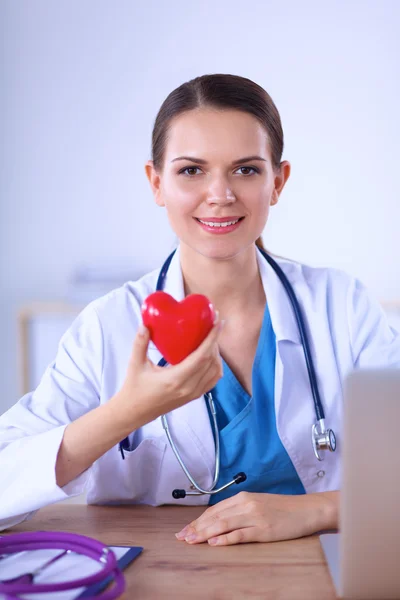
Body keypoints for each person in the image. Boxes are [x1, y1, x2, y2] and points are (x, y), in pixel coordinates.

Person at [1, 74, 399, 546]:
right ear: (156, 183)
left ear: (278, 181)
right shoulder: (108, 325)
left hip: (318, 576)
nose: (220, 194)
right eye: (191, 170)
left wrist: (316, 510)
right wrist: (126, 412)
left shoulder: (342, 306)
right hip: (164, 578)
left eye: (246, 170)